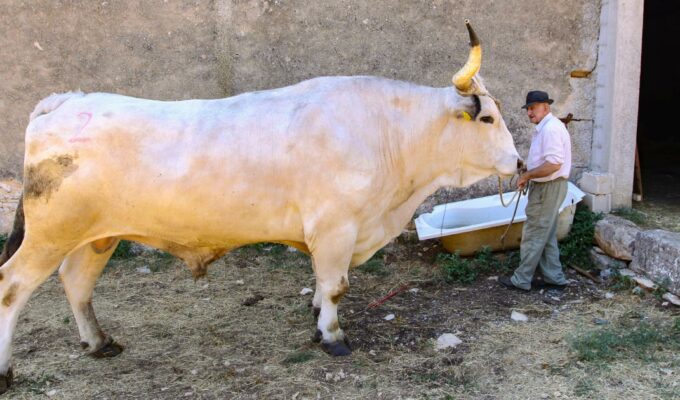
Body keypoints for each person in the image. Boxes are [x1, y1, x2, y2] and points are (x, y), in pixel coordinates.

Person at [498, 90, 572, 291]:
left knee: (533, 233)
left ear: (545, 107)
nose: (530, 112)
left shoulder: (550, 129)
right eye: (528, 109)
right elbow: (548, 162)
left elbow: (554, 164)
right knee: (545, 234)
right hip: (549, 187)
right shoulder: (546, 127)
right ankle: (554, 278)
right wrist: (527, 170)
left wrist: (527, 176)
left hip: (548, 187)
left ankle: (521, 279)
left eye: (533, 108)